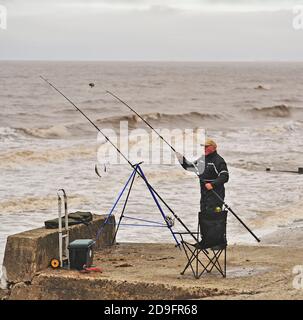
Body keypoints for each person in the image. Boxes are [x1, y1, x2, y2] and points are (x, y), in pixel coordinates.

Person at [176, 138, 229, 247]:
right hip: (204, 195)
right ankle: (205, 241)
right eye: (204, 147)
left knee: (215, 218)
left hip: (216, 194)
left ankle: (220, 243)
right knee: (205, 216)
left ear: (214, 148)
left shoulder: (219, 160)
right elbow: (190, 167)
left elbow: (225, 176)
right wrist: (180, 158)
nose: (204, 149)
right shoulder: (202, 159)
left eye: (207, 146)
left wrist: (213, 184)